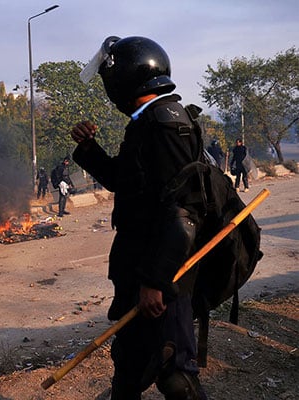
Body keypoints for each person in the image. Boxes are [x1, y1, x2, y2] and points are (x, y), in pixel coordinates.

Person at [71, 36, 207, 399]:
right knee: (129, 372)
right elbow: (126, 182)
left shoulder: (166, 125)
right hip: (141, 270)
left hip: (161, 276)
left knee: (175, 374)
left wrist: (156, 281)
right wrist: (89, 149)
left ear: (125, 79)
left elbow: (182, 211)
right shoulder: (150, 121)